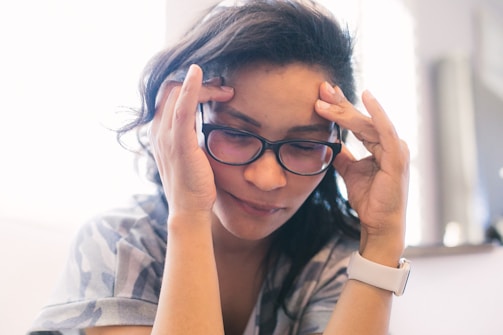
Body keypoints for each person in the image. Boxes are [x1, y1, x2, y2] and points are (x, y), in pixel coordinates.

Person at [29, 0, 410, 334]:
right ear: (183, 119)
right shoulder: (120, 243)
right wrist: (190, 216)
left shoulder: (333, 259)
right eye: (236, 133)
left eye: (303, 145)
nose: (266, 178)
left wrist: (382, 240)